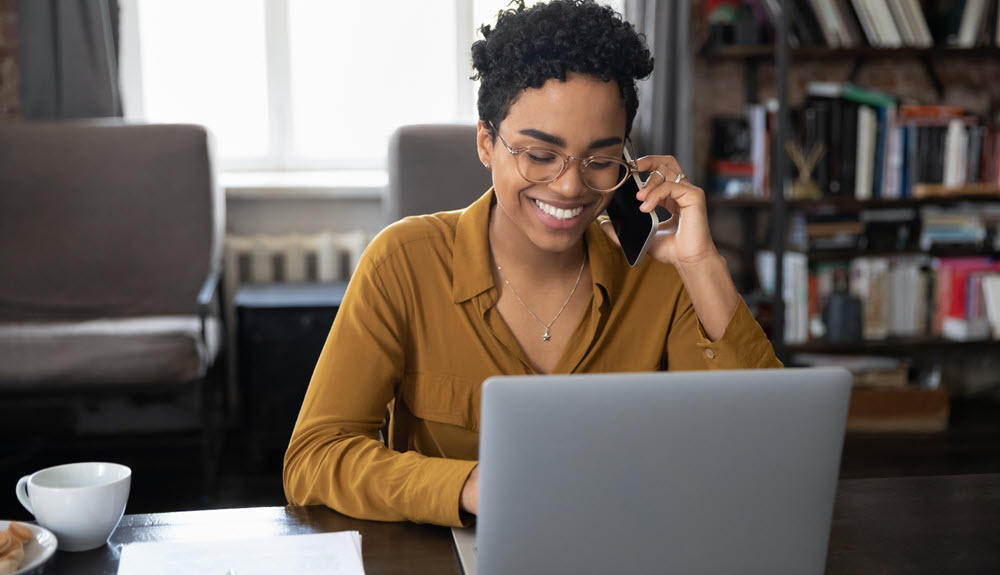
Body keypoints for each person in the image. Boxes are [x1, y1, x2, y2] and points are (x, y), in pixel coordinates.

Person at [283, 0, 781, 527]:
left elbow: (770, 453)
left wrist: (699, 262)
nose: (570, 186)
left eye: (600, 159)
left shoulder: (663, 271)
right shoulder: (404, 262)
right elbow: (314, 457)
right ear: (485, 143)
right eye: (539, 155)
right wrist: (469, 486)